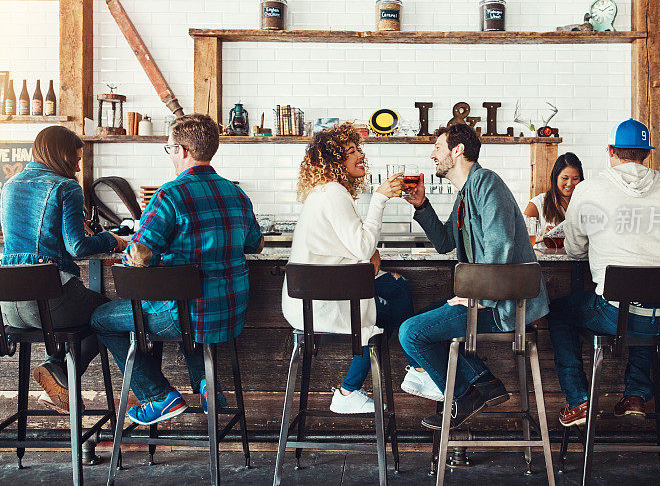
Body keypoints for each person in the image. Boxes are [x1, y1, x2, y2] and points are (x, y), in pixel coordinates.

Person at [91, 114, 264, 425]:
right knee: (191, 318)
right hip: (229, 313)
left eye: (169, 147)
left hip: (184, 315)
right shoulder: (236, 193)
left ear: (182, 150)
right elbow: (256, 244)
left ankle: (158, 396)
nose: (170, 153)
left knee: (101, 319)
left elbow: (140, 256)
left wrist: (133, 247)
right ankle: (208, 387)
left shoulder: (170, 194)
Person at [399, 123, 549, 430]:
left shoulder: (486, 183)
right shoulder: (466, 193)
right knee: (426, 319)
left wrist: (477, 295)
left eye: (438, 148)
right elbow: (444, 243)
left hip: (505, 307)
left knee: (411, 333)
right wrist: (421, 205)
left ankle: (463, 397)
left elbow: (500, 243)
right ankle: (485, 383)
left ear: (458, 150)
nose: (433, 155)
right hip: (488, 299)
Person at [549, 118, 660, 427]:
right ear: (648, 154)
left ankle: (578, 401)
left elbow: (574, 250)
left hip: (616, 313)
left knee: (558, 312)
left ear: (611, 151)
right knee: (649, 304)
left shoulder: (587, 190)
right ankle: (636, 395)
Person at [283, 124, 432, 414]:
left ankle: (354, 387)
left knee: (393, 287)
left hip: (312, 300)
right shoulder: (333, 193)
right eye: (351, 151)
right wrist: (379, 198)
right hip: (322, 306)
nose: (360, 155)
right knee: (393, 296)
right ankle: (405, 372)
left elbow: (355, 250)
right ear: (335, 160)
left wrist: (372, 264)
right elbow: (363, 249)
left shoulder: (326, 192)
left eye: (359, 149)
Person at [0, 126, 126, 413]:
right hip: (50, 302)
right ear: (61, 155)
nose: (79, 166)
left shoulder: (10, 184)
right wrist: (112, 240)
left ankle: (58, 380)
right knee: (108, 316)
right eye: (76, 159)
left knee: (97, 314)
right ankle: (56, 368)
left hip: (9, 308)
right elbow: (77, 248)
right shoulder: (65, 187)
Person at [524, 152, 584, 248]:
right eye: (565, 178)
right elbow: (520, 238)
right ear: (555, 177)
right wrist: (543, 237)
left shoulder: (585, 203)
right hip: (546, 262)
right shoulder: (538, 203)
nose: (569, 183)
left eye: (575, 178)